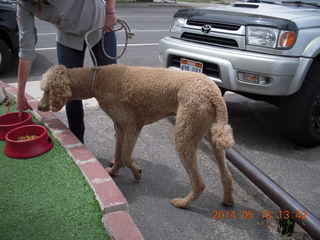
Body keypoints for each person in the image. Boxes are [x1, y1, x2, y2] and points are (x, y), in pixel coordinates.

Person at [16, 0, 117, 143]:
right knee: (68, 90)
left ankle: (121, 148)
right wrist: (20, 94)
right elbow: (26, 49)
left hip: (100, 25)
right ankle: (78, 143)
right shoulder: (23, 3)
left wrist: (110, 10)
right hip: (67, 36)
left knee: (112, 89)